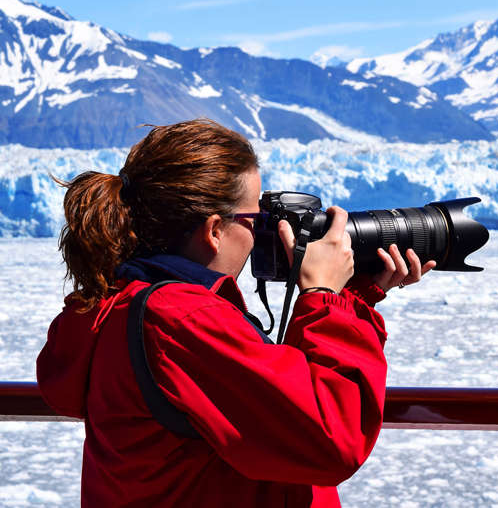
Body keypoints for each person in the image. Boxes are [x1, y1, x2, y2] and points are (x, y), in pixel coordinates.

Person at [36, 119, 433, 507]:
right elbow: (330, 439)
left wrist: (355, 298)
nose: (264, 232)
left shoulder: (118, 302)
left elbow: (269, 404)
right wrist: (324, 294)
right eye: (256, 219)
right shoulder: (182, 321)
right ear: (213, 230)